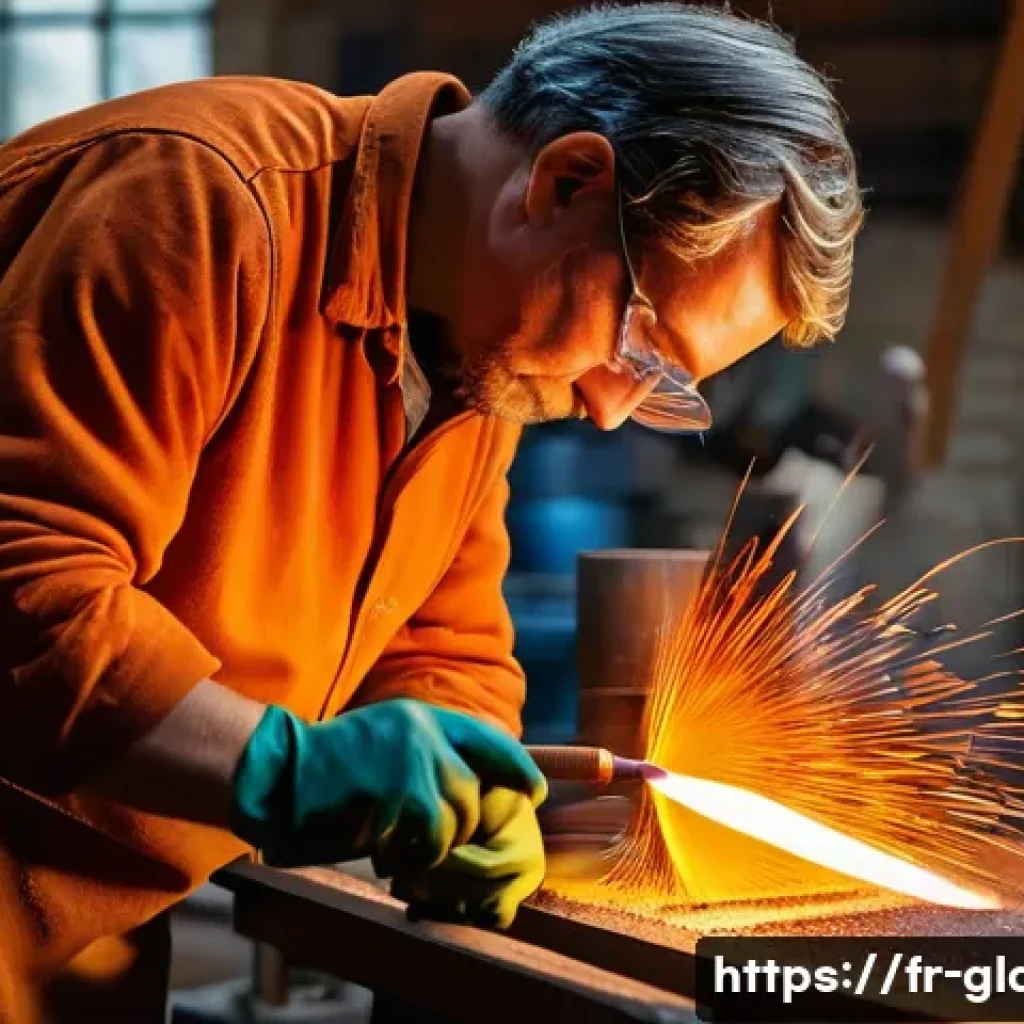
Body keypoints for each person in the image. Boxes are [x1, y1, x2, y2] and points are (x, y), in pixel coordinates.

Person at [0, 3, 863, 1020]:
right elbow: (26, 581)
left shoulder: (472, 352)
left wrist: (466, 781)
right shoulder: (193, 204)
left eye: (665, 385)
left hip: (86, 952)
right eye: (638, 348)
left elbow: (440, 637)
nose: (607, 405)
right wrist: (285, 765)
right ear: (564, 182)